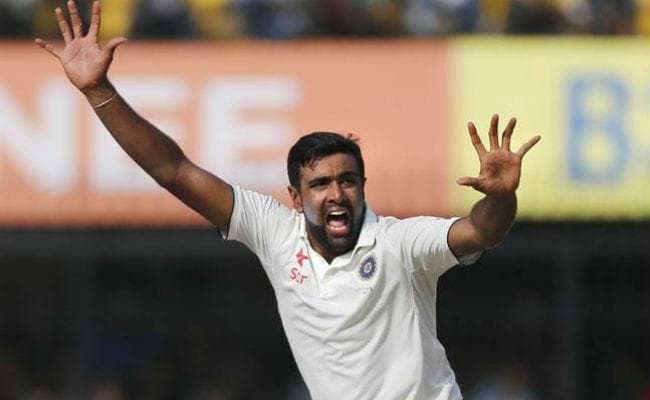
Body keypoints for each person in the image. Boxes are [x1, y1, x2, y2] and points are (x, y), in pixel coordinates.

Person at [35, 2, 540, 399]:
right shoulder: (276, 233)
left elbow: (482, 231)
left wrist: (501, 198)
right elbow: (174, 170)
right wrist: (99, 91)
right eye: (321, 184)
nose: (337, 193)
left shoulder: (399, 244)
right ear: (295, 198)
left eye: (348, 180)